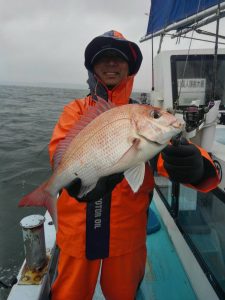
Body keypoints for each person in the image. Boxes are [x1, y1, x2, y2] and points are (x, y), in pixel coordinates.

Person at [49, 30, 219, 300]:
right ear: (93, 67)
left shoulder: (144, 117)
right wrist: (73, 184)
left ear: (130, 68)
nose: (111, 64)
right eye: (103, 58)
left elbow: (168, 155)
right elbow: (60, 154)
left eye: (118, 58)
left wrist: (199, 166)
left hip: (126, 240)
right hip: (76, 237)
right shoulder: (76, 111)